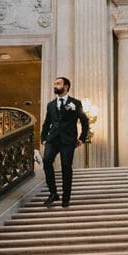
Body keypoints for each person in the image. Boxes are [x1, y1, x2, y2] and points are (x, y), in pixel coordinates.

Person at [40, 76, 89, 208]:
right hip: (52, 139)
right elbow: (46, 123)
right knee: (46, 161)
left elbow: (84, 121)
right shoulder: (50, 105)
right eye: (54, 84)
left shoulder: (75, 103)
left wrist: (82, 138)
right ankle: (53, 193)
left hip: (68, 140)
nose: (55, 86)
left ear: (66, 86)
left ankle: (65, 198)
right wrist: (43, 138)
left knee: (66, 167)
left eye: (58, 84)